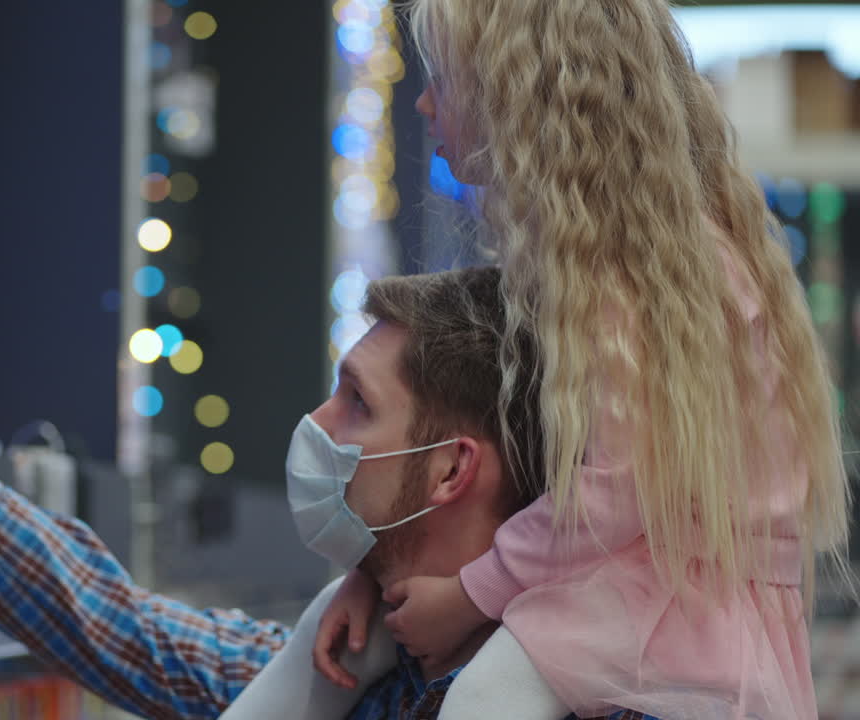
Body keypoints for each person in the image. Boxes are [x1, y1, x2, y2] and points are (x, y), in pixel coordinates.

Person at [0, 268, 650, 718]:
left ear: (452, 469)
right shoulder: (345, 668)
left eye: (357, 403)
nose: (318, 423)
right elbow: (104, 617)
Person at [305, 1, 850, 719]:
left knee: (485, 700)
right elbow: (554, 475)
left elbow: (611, 488)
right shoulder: (607, 265)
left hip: (670, 601)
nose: (426, 102)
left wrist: (471, 593)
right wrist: (378, 576)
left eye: (447, 79)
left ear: (518, 93)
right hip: (640, 581)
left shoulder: (633, 279)